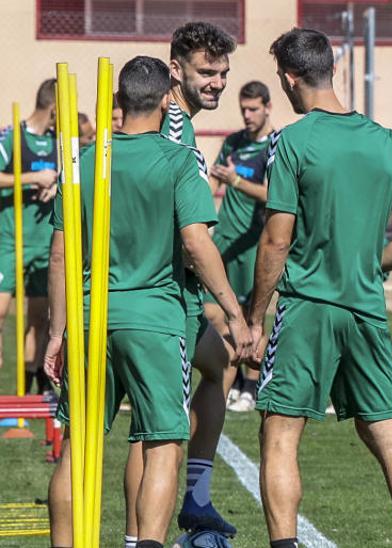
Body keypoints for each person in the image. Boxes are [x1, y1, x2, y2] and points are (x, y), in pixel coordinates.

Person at [43, 55, 251, 548]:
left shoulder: (84, 158)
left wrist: (57, 332)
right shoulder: (178, 159)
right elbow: (197, 243)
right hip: (154, 320)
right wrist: (235, 313)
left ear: (118, 102)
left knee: (78, 448)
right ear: (164, 101)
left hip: (90, 317)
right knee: (162, 444)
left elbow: (59, 255)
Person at [248, 28, 392, 548]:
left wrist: (254, 315)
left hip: (308, 307)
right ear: (332, 70)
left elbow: (276, 239)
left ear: (288, 78)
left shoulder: (292, 140)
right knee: (385, 431)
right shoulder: (387, 140)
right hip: (367, 309)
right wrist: (367, 267)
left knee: (280, 435)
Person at [149, 20, 241, 538]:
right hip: (164, 295)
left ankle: (198, 499)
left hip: (179, 292)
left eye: (223, 73)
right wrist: (227, 304)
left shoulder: (182, 124)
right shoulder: (172, 127)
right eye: (207, 72)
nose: (217, 83)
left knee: (221, 362)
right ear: (175, 69)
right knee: (157, 435)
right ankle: (143, 534)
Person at [201, 80, 276, 415]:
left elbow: (274, 196)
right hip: (224, 241)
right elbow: (214, 179)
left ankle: (250, 385)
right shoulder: (233, 142)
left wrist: (238, 182)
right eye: (243, 109)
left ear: (267, 107)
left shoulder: (274, 146)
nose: (247, 115)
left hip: (252, 243)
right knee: (215, 312)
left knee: (250, 317)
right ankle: (226, 379)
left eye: (253, 109)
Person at [0, 79, 60, 398]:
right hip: (10, 239)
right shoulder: (12, 137)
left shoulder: (59, 142)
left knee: (39, 317)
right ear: (52, 109)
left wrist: (54, 185)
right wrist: (32, 177)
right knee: (0, 312)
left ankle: (30, 385)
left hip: (44, 242)